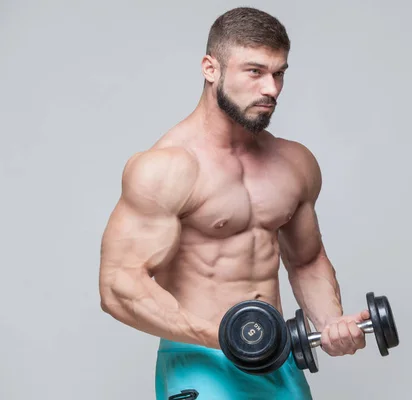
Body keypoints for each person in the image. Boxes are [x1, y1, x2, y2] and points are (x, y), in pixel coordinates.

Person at [99, 6, 369, 399]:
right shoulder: (168, 168)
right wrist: (227, 338)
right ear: (211, 68)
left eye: (279, 74)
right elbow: (118, 286)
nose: (271, 89)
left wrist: (330, 325)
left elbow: (306, 260)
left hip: (279, 361)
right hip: (200, 362)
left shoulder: (294, 163)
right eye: (255, 71)